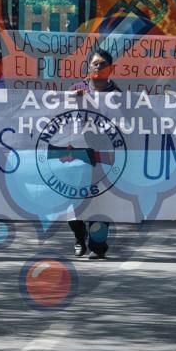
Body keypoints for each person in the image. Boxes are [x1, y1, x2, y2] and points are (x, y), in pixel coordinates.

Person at [67, 48, 120, 260]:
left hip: (104, 156)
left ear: (111, 69)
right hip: (77, 154)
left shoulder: (118, 95)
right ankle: (80, 238)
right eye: (95, 63)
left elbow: (127, 125)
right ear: (88, 67)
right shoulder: (75, 89)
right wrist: (73, 100)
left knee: (100, 200)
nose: (98, 67)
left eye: (103, 64)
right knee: (74, 200)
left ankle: (98, 244)